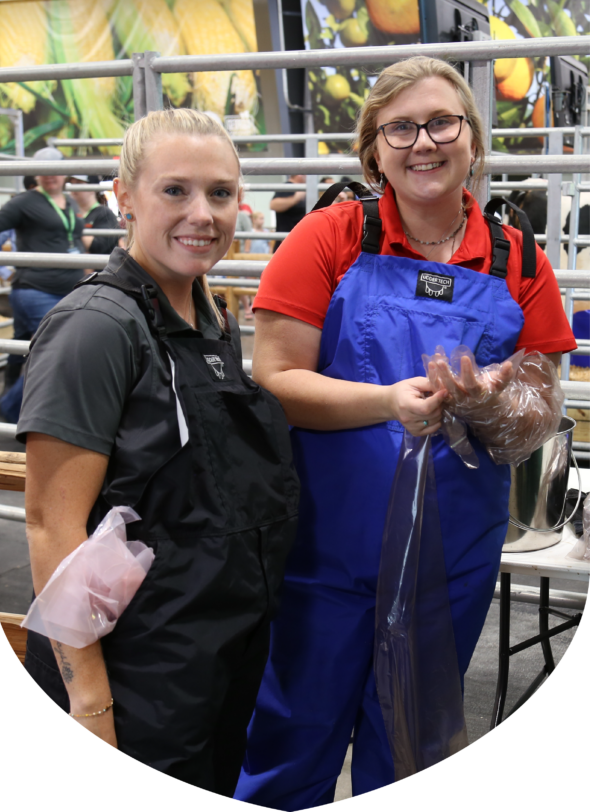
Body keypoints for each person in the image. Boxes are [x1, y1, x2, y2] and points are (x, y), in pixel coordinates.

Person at [234, 56, 575, 806]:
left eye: (442, 122)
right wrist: (391, 401)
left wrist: (490, 401)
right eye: (401, 128)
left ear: (474, 140)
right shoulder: (329, 237)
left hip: (448, 562)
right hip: (322, 557)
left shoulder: (519, 259)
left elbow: (540, 406)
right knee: (293, 736)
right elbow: (276, 378)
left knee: (413, 742)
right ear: (374, 150)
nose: (424, 142)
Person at [17, 109, 299, 794]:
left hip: (209, 663)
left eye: (221, 192)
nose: (202, 213)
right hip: (134, 680)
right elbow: (53, 528)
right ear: (124, 197)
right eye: (175, 190)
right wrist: (90, 704)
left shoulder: (212, 317)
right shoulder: (96, 330)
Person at [0, 145, 84, 418]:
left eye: (55, 169)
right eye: (42, 170)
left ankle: (24, 404)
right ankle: (11, 408)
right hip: (35, 290)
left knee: (32, 347)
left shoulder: (71, 203)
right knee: (57, 349)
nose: (50, 175)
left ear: (65, 172)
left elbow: (73, 241)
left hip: (68, 289)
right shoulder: (24, 202)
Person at [68, 174, 122, 255]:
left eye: (78, 183)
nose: (73, 188)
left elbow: (99, 246)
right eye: (72, 184)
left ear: (92, 188)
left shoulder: (105, 214)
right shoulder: (70, 213)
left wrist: (71, 232)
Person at [270, 174, 306, 250]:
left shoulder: (302, 190)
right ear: (299, 175)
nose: (307, 177)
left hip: (299, 241)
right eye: (305, 174)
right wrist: (295, 199)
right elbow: (273, 205)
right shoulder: (289, 187)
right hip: (287, 242)